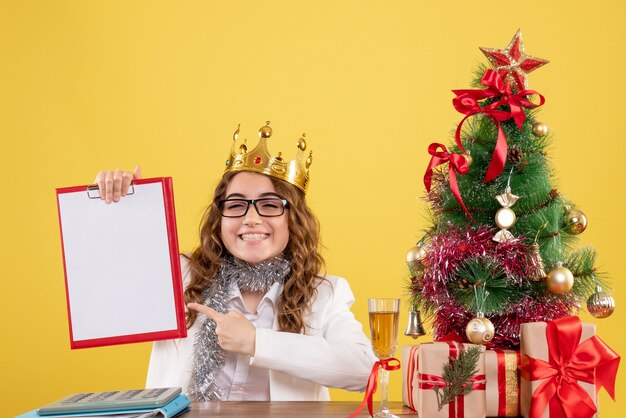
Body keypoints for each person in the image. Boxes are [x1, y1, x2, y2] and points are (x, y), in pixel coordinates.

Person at [94, 122, 377, 401]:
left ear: (292, 219)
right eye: (236, 205)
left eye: (269, 204)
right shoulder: (179, 276)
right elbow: (107, 288)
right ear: (219, 219)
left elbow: (366, 370)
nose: (251, 218)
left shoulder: (324, 294)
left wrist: (256, 343)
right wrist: (115, 206)